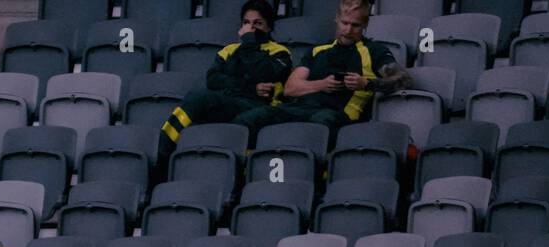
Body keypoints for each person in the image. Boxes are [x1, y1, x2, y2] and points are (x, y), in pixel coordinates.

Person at [234, 0, 407, 141]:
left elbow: (403, 78)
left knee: (321, 122)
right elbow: (290, 88)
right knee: (248, 119)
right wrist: (322, 85)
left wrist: (367, 83)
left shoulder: (374, 50)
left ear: (366, 24)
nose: (347, 31)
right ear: (336, 20)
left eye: (355, 25)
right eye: (344, 23)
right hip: (299, 108)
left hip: (338, 115)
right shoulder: (319, 49)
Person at [157, 0, 291, 169]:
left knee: (231, 117)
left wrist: (249, 42)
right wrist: (251, 87)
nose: (251, 28)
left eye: (258, 23)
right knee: (198, 98)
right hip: (231, 101)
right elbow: (214, 80)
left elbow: (262, 72)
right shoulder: (229, 50)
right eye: (246, 23)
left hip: (261, 108)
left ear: (269, 27)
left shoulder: (280, 52)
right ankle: (163, 154)